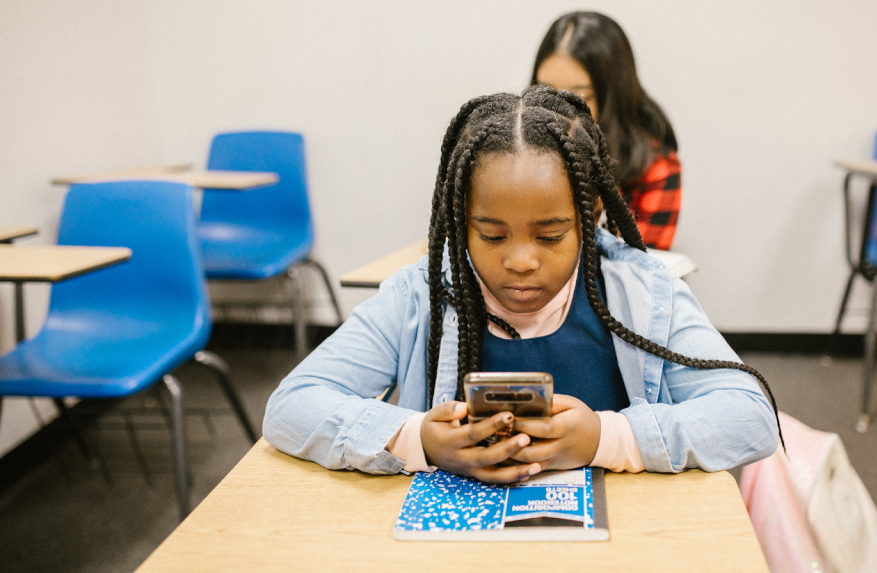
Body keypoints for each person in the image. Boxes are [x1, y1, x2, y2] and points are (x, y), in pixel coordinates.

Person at [263, 86, 780, 484]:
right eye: (491, 235)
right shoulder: (420, 295)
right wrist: (414, 438)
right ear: (461, 220)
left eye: (551, 235)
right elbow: (292, 405)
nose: (520, 262)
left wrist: (608, 438)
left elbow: (749, 416)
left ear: (589, 217)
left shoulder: (644, 293)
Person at [532, 11, 682, 251]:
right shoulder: (515, 152)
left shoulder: (655, 167)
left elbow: (641, 265)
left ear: (612, 96)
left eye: (579, 97)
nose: (557, 112)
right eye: (546, 92)